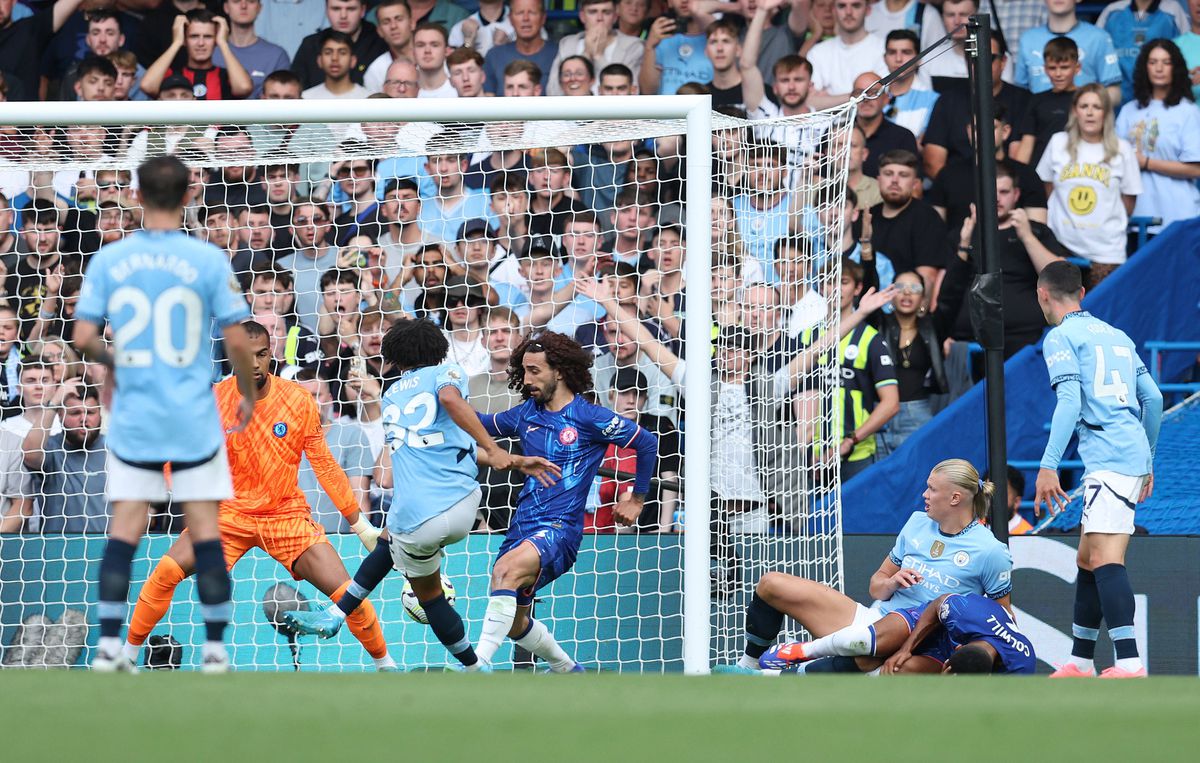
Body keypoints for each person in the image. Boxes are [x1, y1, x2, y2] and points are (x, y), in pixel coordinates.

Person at [70, 155, 259, 673]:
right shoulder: (209, 260)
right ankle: (216, 652)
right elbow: (238, 338)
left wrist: (119, 363)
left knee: (126, 527)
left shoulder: (110, 259)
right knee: (205, 530)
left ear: (135, 195)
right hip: (193, 414)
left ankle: (109, 648)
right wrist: (245, 391)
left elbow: (83, 338)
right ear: (188, 196)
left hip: (136, 415)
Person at [285, 318, 559, 670]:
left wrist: (498, 451)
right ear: (440, 348)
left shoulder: (391, 394)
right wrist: (505, 455)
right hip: (463, 506)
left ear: (396, 359)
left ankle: (337, 612)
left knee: (416, 576)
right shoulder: (450, 371)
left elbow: (445, 405)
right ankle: (474, 666)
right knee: (414, 572)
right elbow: (453, 435)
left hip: (417, 519)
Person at [120, 322, 396, 671]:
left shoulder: (297, 401)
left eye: (262, 355)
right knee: (164, 573)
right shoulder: (213, 401)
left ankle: (387, 667)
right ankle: (126, 658)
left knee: (348, 596)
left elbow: (325, 465)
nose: (254, 363)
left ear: (271, 355)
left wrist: (360, 525)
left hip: (285, 517)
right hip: (228, 516)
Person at [472, 331, 659, 670]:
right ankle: (568, 669)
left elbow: (646, 443)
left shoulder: (589, 417)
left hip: (561, 530)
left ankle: (476, 664)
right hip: (522, 527)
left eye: (535, 371)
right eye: (524, 371)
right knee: (514, 622)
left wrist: (637, 499)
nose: (527, 380)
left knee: (505, 570)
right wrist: (447, 400)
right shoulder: (525, 414)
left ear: (558, 372)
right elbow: (482, 425)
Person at [728, 459, 1012, 674]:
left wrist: (971, 654)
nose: (924, 494)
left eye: (932, 489)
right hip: (873, 622)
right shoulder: (916, 523)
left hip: (921, 646)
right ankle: (748, 667)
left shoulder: (990, 550)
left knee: (874, 662)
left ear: (955, 498)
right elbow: (876, 585)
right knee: (771, 584)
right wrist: (891, 582)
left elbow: (1002, 619)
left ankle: (792, 672)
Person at [1034, 260, 1163, 678]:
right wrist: (1147, 457)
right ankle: (1081, 660)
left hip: (1109, 456)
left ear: (1042, 295)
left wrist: (1049, 464)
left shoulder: (1061, 337)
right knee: (1088, 560)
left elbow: (1069, 401)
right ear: (1083, 294)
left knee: (1106, 559)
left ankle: (1129, 662)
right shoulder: (1118, 336)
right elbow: (1155, 400)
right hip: (1125, 453)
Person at [1036, 83, 1142, 286]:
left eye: (1097, 107)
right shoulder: (1058, 143)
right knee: (1063, 314)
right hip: (1061, 247)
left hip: (1106, 250)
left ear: (1106, 113)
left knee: (1103, 313)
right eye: (1084, 106)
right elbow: (1048, 191)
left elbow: (1128, 202)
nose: (1090, 113)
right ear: (1075, 111)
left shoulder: (1122, 149)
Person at [1115, 39, 1200, 238]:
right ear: (1145, 67)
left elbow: (1196, 169)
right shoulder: (1129, 110)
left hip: (1177, 217)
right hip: (1134, 217)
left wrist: (1147, 163)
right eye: (1152, 62)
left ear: (1176, 68)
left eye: (1166, 62)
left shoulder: (1187, 111)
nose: (1159, 68)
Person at [876, 271, 947, 456]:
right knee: (877, 480)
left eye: (914, 288)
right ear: (890, 293)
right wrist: (867, 247)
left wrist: (963, 250)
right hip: (878, 415)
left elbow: (951, 294)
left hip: (917, 414)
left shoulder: (933, 326)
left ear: (923, 297)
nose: (907, 293)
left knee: (918, 479)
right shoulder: (877, 324)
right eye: (900, 287)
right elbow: (870, 282)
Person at [881, 592, 1037, 675]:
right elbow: (938, 603)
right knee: (870, 647)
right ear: (958, 648)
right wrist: (905, 649)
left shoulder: (1021, 665)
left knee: (900, 672)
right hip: (942, 626)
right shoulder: (965, 612)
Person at [1014, 0, 1122, 105]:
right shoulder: (1028, 39)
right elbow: (1020, 92)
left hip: (1082, 122)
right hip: (1041, 121)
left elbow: (1114, 91)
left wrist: (1085, 108)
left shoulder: (1099, 38)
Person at [140, 10, 253, 100]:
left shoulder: (227, 77)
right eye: (194, 36)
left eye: (208, 36)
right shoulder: (172, 75)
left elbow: (244, 88)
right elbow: (147, 86)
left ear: (216, 40)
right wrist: (176, 43)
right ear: (185, 39)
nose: (201, 43)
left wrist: (223, 43)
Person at [548, 0, 642, 95]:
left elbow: (633, 92)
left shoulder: (633, 46)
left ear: (614, 17)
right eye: (592, 12)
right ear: (582, 16)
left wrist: (599, 56)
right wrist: (586, 54)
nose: (599, 18)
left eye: (606, 12)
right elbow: (552, 92)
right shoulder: (568, 44)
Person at [1099, 0, 1182, 106]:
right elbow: (1096, 52)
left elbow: (1184, 50)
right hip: (1116, 103)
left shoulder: (1172, 11)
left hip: (1159, 103)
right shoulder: (1112, 11)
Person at [1015, 36, 1081, 167]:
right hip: (1039, 172)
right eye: (1052, 68)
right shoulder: (1037, 100)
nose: (1058, 74)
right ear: (1045, 69)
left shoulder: (1086, 99)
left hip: (1077, 171)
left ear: (1077, 68)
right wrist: (1018, 177)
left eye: (1064, 67)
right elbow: (1027, 143)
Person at [291, 0, 387, 89]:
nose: (343, 16)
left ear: (362, 10)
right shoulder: (310, 45)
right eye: (336, 9)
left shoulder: (381, 43)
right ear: (326, 9)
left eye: (351, 9)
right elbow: (295, 90)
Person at [806, 0, 886, 104]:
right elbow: (810, 103)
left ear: (868, 10)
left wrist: (829, 99)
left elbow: (881, 98)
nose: (848, 12)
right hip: (828, 121)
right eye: (842, 6)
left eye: (856, 6)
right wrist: (862, 95)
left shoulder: (883, 49)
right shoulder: (817, 52)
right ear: (834, 11)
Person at [214, 0, 291, 98]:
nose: (243, 6)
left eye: (251, 1)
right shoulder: (211, 52)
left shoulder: (277, 55)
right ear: (226, 7)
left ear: (259, 8)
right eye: (236, 1)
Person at [483, 0, 558, 94]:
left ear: (543, 18)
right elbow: (488, 101)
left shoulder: (558, 54)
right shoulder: (494, 56)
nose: (525, 18)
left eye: (532, 12)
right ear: (510, 19)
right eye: (519, 13)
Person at [640, 0, 712, 95]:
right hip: (668, 109)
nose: (684, 1)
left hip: (706, 109)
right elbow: (647, 91)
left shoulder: (716, 40)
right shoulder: (659, 39)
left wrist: (699, 10)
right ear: (670, 2)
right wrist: (650, 47)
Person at [363, 0, 416, 93]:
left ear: (412, 23)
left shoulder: (432, 57)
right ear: (379, 30)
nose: (393, 26)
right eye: (386, 22)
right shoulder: (375, 71)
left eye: (399, 19)